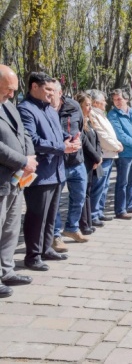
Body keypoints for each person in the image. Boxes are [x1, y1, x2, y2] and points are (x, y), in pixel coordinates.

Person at [19, 72, 79, 271]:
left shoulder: (51, 110)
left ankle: (46, 248)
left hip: (57, 170)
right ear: (34, 87)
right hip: (40, 172)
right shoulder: (26, 109)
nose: (52, 94)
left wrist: (70, 139)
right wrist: (62, 148)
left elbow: (58, 133)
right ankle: (33, 255)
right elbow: (33, 141)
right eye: (48, 90)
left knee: (51, 214)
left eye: (54, 90)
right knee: (37, 215)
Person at [0, 65, 36, 296]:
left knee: (11, 228)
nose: (11, 94)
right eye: (7, 89)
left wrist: (29, 158)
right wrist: (22, 160)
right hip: (2, 178)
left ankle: (6, 270)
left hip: (17, 179)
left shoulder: (10, 107)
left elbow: (24, 134)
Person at [51, 80, 90, 245]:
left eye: (52, 92)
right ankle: (55, 234)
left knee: (79, 196)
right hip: (56, 162)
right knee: (56, 201)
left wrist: (77, 141)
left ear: (60, 93)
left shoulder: (73, 106)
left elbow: (80, 127)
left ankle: (72, 228)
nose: (48, 95)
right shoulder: (43, 109)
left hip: (77, 161)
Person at [107, 89, 132, 220]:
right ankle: (120, 209)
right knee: (122, 182)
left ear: (126, 99)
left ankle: (130, 204)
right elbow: (120, 134)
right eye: (115, 99)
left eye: (119, 99)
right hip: (125, 153)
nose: (117, 102)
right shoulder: (113, 115)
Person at [88, 90, 123, 226]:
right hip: (103, 154)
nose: (105, 103)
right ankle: (93, 213)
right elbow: (102, 135)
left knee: (104, 185)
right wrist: (116, 146)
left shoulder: (101, 114)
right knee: (98, 186)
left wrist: (116, 144)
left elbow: (109, 133)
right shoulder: (93, 115)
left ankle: (99, 211)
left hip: (110, 153)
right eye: (103, 100)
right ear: (96, 102)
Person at [76, 93, 103, 235]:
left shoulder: (90, 121)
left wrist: (98, 156)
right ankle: (83, 223)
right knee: (83, 193)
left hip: (93, 160)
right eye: (87, 105)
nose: (89, 108)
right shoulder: (79, 121)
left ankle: (88, 222)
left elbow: (96, 140)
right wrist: (95, 157)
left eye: (90, 105)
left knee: (88, 192)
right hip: (86, 161)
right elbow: (85, 144)